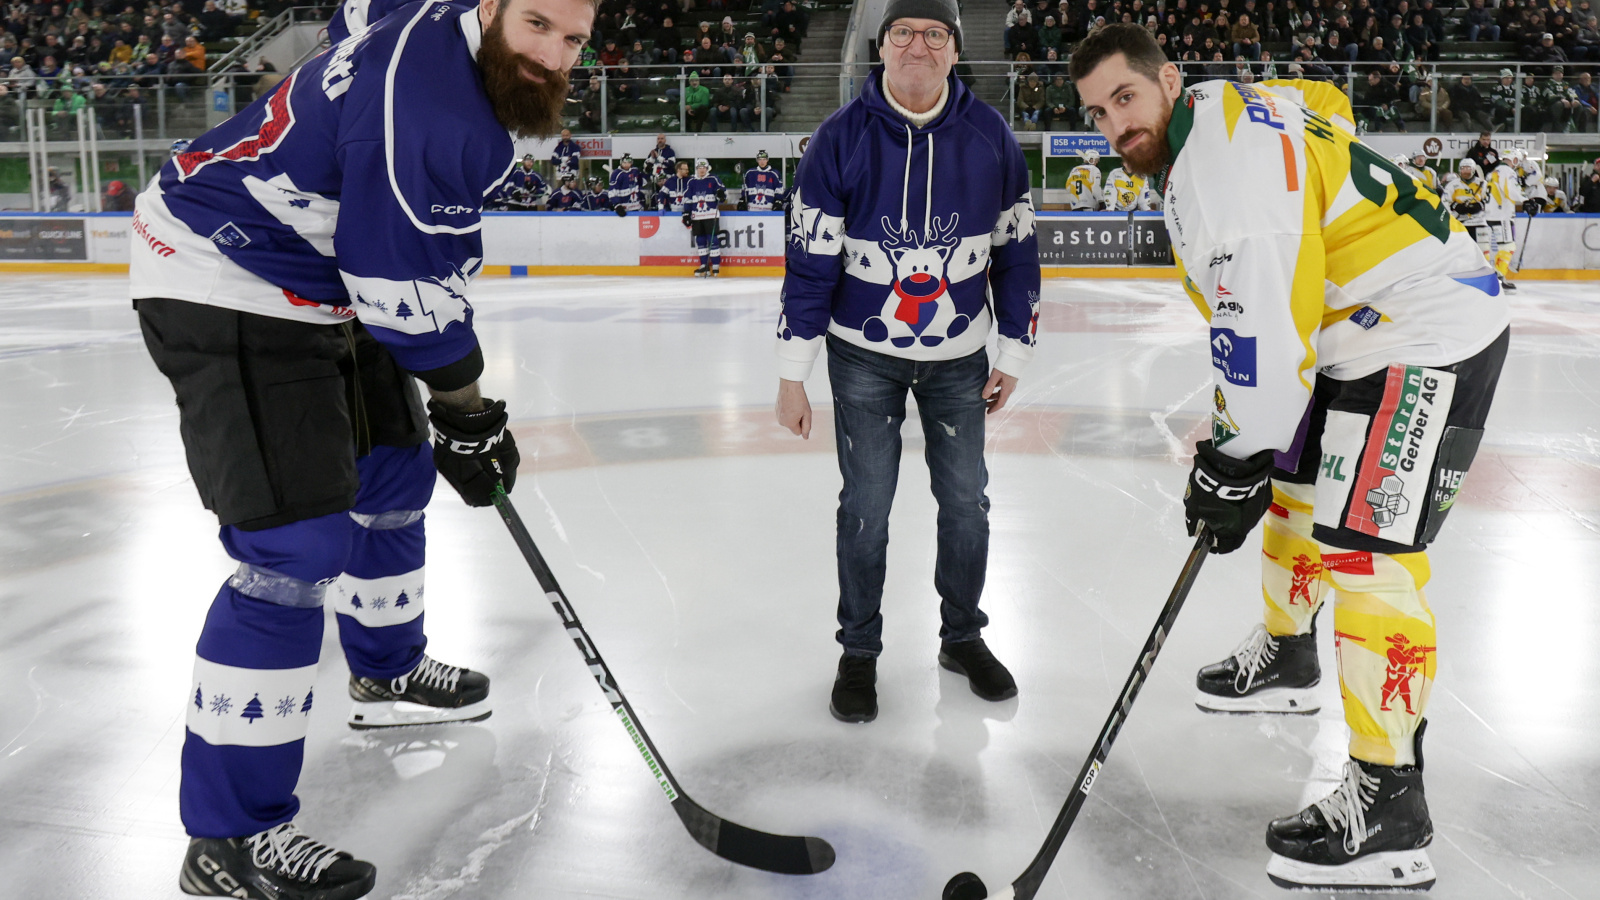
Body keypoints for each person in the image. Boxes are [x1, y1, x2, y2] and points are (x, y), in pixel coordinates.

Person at [127, 0, 595, 895]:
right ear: (491, 8)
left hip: (324, 272)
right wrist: (469, 409)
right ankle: (227, 838)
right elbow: (401, 287)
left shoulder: (432, 18)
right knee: (293, 552)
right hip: (223, 271)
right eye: (537, 24)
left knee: (393, 474)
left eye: (573, 39)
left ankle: (384, 671)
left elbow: (354, 13)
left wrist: (453, 424)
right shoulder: (432, 108)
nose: (554, 55)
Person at [1071, 23, 1509, 893]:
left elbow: (1262, 340)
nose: (1116, 127)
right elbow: (1327, 106)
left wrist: (1228, 459)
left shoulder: (1222, 170)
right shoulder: (1230, 111)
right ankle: (1290, 653)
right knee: (1294, 492)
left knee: (1367, 557)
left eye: (1125, 97)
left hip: (1423, 334)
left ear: (1170, 79)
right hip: (1355, 327)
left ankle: (1390, 803)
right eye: (1096, 113)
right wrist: (1248, 459)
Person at [775, 0, 1041, 724]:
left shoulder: (992, 141)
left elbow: (1017, 257)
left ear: (954, 51)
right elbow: (809, 264)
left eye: (933, 34)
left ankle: (962, 638)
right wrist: (792, 371)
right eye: (902, 32)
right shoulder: (837, 140)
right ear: (880, 47)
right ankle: (858, 651)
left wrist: (1013, 349)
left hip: (960, 362)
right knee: (864, 510)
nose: (917, 45)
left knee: (966, 506)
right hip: (861, 357)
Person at [1483, 151, 1523, 291]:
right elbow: (1510, 190)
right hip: (1502, 216)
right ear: (1514, 159)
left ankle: (1491, 277)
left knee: (1489, 248)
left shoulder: (1492, 172)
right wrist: (1526, 200)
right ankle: (1499, 277)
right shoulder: (1507, 171)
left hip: (1489, 215)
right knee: (1507, 247)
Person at [682, 157, 724, 276]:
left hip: (710, 215)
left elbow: (722, 193)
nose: (702, 170)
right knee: (700, 240)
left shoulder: (713, 179)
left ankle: (715, 265)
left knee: (712, 239)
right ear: (696, 169)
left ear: (707, 168)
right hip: (697, 216)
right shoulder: (692, 181)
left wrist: (721, 195)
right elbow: (688, 199)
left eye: (704, 167)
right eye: (699, 168)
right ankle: (704, 265)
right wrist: (686, 213)